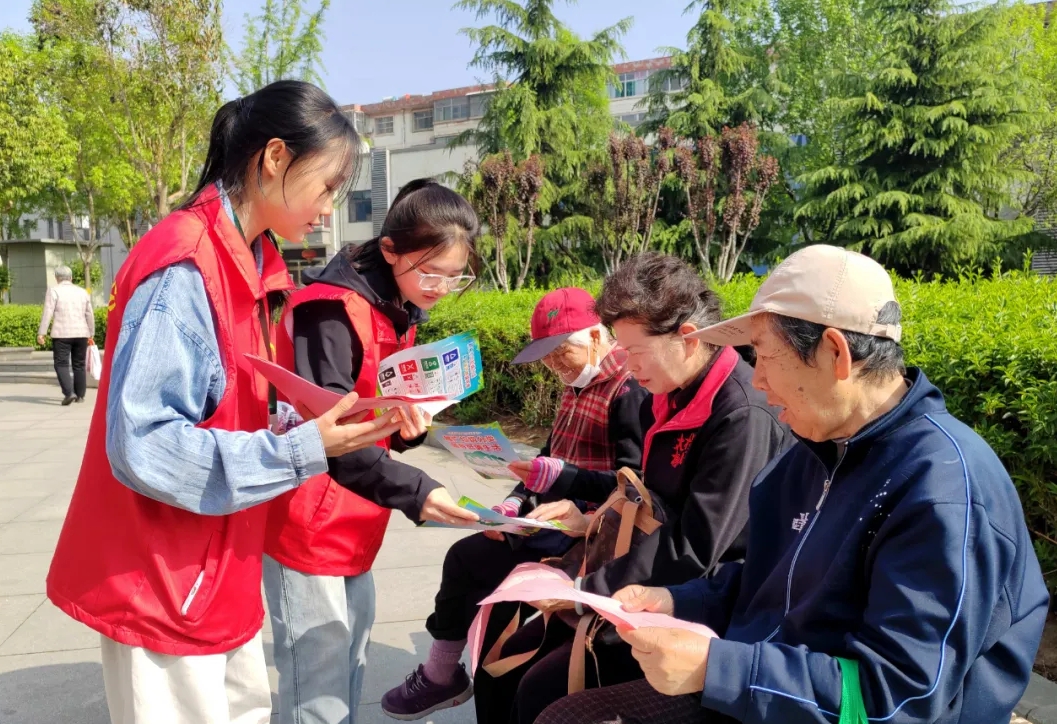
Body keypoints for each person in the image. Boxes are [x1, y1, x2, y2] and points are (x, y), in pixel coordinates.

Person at [535, 245, 1050, 724]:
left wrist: (720, 669)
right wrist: (678, 600)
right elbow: (768, 582)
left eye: (765, 355)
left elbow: (897, 698)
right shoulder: (811, 453)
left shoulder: (941, 490)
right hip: (769, 684)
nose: (757, 380)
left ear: (835, 353)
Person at [45, 81, 415, 724]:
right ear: (274, 157)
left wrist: (317, 421)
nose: (329, 207)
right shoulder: (187, 264)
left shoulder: (249, 261)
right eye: (328, 186)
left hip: (218, 565)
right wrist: (301, 448)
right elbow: (145, 444)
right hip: (164, 579)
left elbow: (228, 406)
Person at [471, 253, 792, 724]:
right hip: (638, 576)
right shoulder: (666, 395)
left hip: (697, 604)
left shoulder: (741, 416)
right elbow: (645, 497)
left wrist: (581, 589)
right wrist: (588, 519)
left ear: (687, 338)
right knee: (501, 658)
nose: (626, 363)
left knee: (541, 692)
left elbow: (695, 548)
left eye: (635, 351)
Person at [262, 179, 484, 724]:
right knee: (316, 677)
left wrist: (409, 428)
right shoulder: (331, 311)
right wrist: (420, 492)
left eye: (455, 277)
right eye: (431, 273)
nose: (441, 288)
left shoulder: (394, 308)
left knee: (350, 656)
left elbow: (379, 418)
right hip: (311, 513)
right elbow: (331, 434)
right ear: (389, 250)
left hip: (359, 508)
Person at [381, 287, 649, 721]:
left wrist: (560, 479)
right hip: (544, 523)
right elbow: (547, 457)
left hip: (586, 538)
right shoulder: (577, 383)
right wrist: (512, 503)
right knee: (472, 571)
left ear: (597, 335)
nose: (555, 364)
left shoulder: (629, 389)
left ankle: (444, 676)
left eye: (562, 351)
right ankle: (444, 675)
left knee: (488, 603)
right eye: (546, 356)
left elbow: (634, 484)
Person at [37, 264, 94, 405]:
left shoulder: (54, 290)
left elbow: (48, 312)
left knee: (61, 364)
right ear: (71, 277)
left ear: (57, 278)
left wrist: (42, 332)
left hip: (61, 334)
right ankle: (80, 395)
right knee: (79, 365)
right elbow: (89, 314)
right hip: (81, 333)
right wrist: (91, 332)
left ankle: (69, 393)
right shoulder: (82, 292)